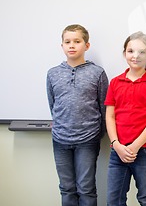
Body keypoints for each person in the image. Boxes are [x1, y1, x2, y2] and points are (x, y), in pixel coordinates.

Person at [46, 24, 109, 206]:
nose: (71, 45)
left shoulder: (97, 73)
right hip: (60, 139)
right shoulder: (52, 74)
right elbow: (53, 105)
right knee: (66, 188)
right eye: (67, 42)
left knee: (86, 188)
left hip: (87, 139)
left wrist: (99, 133)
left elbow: (103, 106)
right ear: (62, 46)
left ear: (86, 46)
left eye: (77, 41)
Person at [105, 31, 146, 206]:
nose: (136, 56)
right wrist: (116, 144)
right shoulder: (115, 82)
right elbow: (109, 116)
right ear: (125, 53)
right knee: (114, 200)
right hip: (118, 151)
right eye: (131, 51)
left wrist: (134, 146)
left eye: (142, 52)